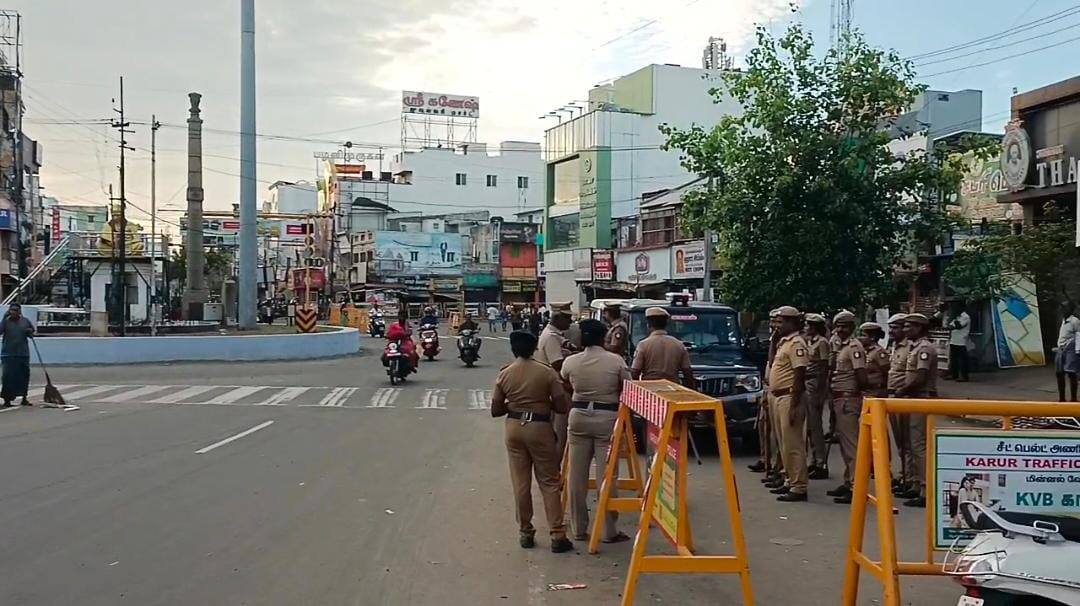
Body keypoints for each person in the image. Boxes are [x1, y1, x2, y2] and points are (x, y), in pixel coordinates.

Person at [491, 330, 573, 553]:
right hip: (540, 427)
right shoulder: (546, 373)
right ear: (535, 347)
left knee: (521, 482)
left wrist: (515, 406)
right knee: (548, 481)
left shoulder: (505, 374)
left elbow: (496, 409)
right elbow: (561, 406)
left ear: (513, 348)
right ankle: (557, 534)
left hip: (514, 428)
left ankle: (525, 531)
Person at [560, 319, 631, 543]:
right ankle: (609, 530)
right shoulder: (615, 361)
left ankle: (579, 529)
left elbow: (564, 382)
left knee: (576, 476)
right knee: (607, 476)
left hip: (578, 416)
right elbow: (627, 388)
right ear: (604, 338)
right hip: (607, 418)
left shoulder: (571, 361)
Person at [766, 306, 809, 502]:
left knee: (793, 443)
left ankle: (799, 486)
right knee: (783, 442)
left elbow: (800, 374)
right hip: (778, 396)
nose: (777, 325)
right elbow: (772, 361)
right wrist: (773, 341)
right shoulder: (783, 342)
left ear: (792, 323)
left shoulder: (797, 343)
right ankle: (789, 479)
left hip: (790, 397)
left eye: (781, 322)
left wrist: (794, 404)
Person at [896, 313, 938, 508]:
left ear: (919, 328)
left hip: (921, 397)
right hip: (912, 397)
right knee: (911, 444)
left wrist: (902, 390)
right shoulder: (914, 347)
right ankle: (914, 483)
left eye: (909, 327)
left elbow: (920, 376)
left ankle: (925, 487)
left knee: (919, 444)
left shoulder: (925, 349)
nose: (905, 330)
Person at [826, 310, 867, 505]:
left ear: (852, 327)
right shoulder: (840, 346)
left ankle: (856, 487)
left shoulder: (854, 347)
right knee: (844, 444)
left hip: (848, 398)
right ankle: (848, 480)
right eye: (838, 326)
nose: (840, 329)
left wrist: (854, 393)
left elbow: (861, 375)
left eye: (844, 326)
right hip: (838, 398)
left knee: (852, 446)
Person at [536, 306, 574, 457]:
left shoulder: (555, 334)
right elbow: (557, 363)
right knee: (560, 432)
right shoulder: (551, 336)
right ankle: (555, 468)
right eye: (568, 318)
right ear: (557, 318)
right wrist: (575, 360)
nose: (570, 322)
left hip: (557, 386)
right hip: (558, 387)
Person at [629, 307, 696, 391]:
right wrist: (692, 390)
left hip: (650, 390)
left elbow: (635, 372)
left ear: (648, 325)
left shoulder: (643, 345)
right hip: (672, 390)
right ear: (666, 324)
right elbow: (687, 372)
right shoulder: (678, 344)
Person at [886, 313, 914, 496]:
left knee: (909, 441)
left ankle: (910, 478)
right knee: (900, 442)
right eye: (891, 328)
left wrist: (902, 391)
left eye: (896, 327)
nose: (892, 331)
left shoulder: (911, 348)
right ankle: (904, 474)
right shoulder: (895, 347)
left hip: (905, 397)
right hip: (893, 397)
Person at [803, 313, 831, 480]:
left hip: (815, 384)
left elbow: (824, 367)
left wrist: (821, 393)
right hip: (807, 382)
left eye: (809, 325)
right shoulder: (809, 342)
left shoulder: (822, 343)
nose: (806, 328)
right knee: (809, 427)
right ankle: (813, 460)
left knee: (815, 424)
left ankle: (820, 462)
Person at [0, 303, 36, 407]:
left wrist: (29, 332)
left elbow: (32, 331)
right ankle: (7, 399)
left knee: (24, 376)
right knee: (8, 377)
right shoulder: (5, 322)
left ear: (19, 311)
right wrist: (3, 318)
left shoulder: (25, 321)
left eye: (16, 310)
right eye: (11, 310)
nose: (13, 312)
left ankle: (24, 397)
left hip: (23, 353)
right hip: (8, 354)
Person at [1055, 301, 1080, 402]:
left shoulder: (1075, 321)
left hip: (1071, 349)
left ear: (1070, 309)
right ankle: (1062, 399)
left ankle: (1073, 399)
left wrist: (1078, 351)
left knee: (1071, 373)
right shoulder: (1063, 320)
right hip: (1061, 349)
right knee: (1059, 373)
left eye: (1065, 308)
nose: (1063, 310)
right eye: (1062, 308)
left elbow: (1079, 336)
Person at [945, 302, 971, 382]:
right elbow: (949, 327)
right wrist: (953, 322)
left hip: (962, 341)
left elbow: (959, 326)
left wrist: (954, 322)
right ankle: (954, 375)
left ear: (961, 308)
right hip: (954, 340)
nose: (954, 310)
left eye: (956, 308)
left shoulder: (965, 317)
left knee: (962, 360)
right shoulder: (957, 317)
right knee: (954, 359)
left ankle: (964, 376)